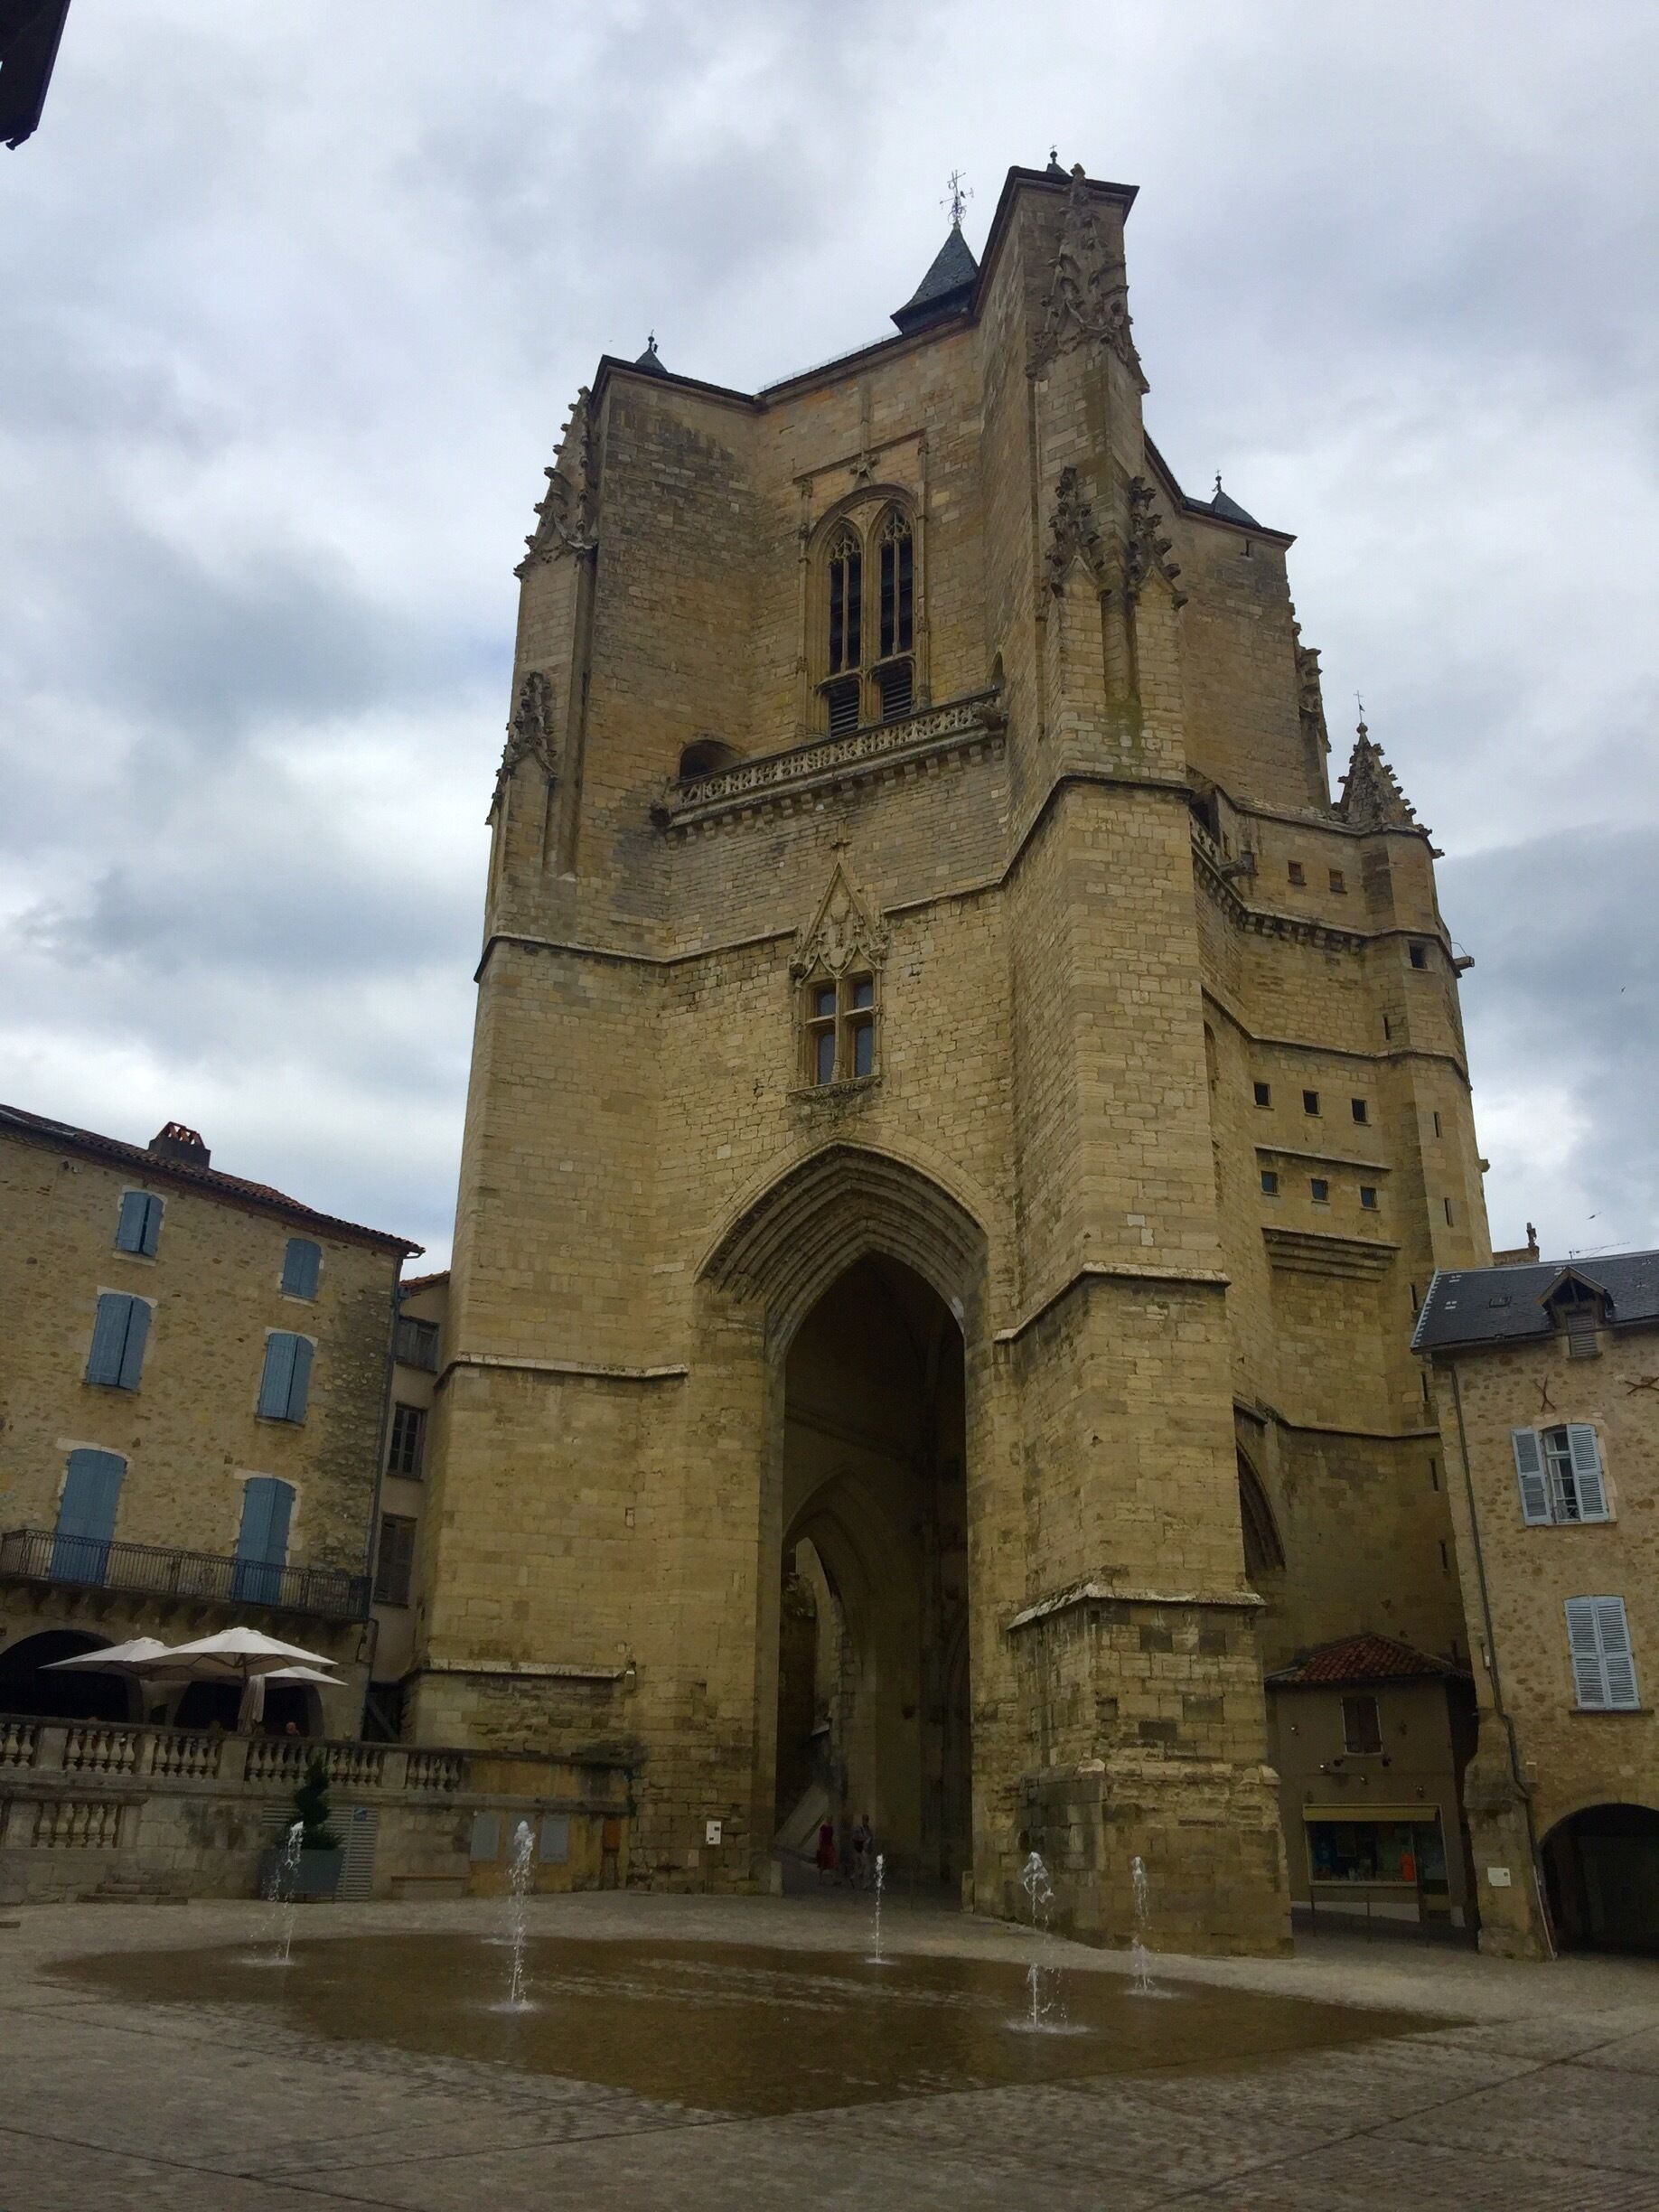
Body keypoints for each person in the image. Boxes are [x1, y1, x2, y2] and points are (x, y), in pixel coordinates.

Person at [850, 1811, 874, 1888]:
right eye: (864, 1819)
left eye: (866, 1820)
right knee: (866, 1866)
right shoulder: (860, 1829)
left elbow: (870, 1839)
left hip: (864, 1850)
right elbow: (855, 1838)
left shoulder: (868, 1830)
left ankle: (854, 1877)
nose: (865, 1821)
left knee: (864, 1866)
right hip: (861, 1850)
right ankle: (865, 1882)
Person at [815, 1818, 838, 1885]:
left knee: (832, 1862)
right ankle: (821, 1879)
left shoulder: (831, 1828)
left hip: (829, 1846)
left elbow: (830, 1838)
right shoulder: (824, 1828)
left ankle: (834, 1879)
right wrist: (819, 1846)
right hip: (824, 1846)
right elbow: (820, 1837)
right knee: (823, 1863)